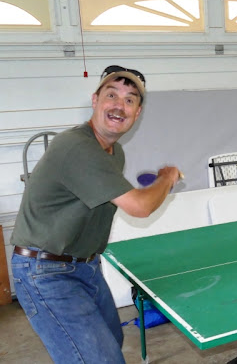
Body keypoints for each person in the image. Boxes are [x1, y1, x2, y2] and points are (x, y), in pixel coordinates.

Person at [10, 65, 182, 363]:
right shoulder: (76, 146)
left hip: (85, 265)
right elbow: (139, 206)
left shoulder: (115, 153)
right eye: (111, 95)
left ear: (137, 113)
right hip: (46, 271)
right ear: (95, 100)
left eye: (129, 100)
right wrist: (167, 178)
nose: (119, 105)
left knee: (111, 344)